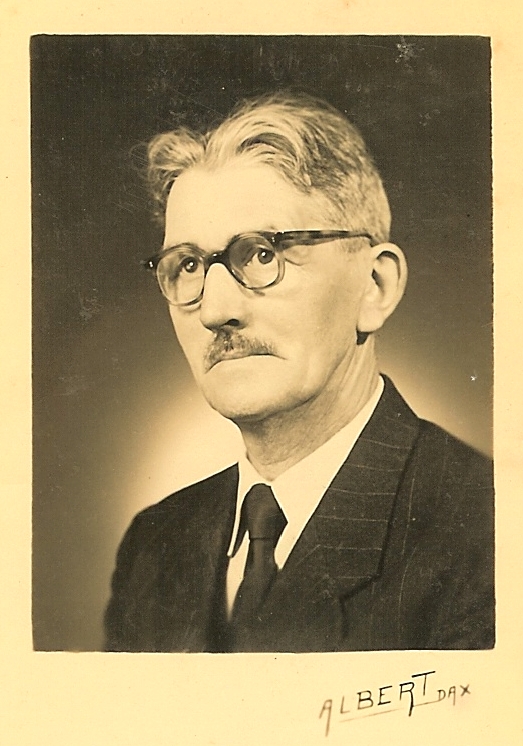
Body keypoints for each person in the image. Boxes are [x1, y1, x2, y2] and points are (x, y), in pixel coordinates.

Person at [104, 92, 494, 653]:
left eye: (263, 254)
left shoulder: (488, 530)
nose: (214, 311)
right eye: (188, 265)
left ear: (374, 287)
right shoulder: (154, 544)